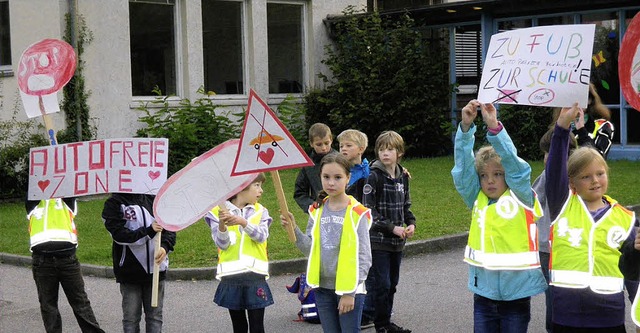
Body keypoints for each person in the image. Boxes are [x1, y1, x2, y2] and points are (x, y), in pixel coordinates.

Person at [451, 100, 547, 332]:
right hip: (483, 295)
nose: (490, 180)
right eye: (483, 175)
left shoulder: (522, 195)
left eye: (497, 174)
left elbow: (517, 167)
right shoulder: (478, 198)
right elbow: (463, 171)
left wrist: (494, 127)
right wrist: (465, 129)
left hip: (516, 296)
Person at [546, 103, 640, 332]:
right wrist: (561, 127)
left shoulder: (626, 218)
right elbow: (555, 168)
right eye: (586, 176)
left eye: (600, 174)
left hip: (609, 318)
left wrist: (636, 251)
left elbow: (632, 273)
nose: (595, 180)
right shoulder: (563, 205)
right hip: (565, 317)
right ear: (572, 182)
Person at [281, 153, 372, 333]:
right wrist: (294, 230)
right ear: (320, 177)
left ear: (348, 178)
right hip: (322, 288)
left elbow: (364, 257)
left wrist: (349, 293)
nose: (331, 183)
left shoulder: (357, 212)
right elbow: (310, 249)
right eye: (326, 177)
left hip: (349, 289)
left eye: (337, 177)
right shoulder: (316, 210)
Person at [203, 173, 274, 333]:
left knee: (257, 327)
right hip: (231, 277)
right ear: (241, 187)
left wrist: (243, 222)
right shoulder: (217, 211)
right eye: (256, 185)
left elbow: (261, 236)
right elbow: (223, 244)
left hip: (255, 276)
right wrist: (222, 224)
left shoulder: (260, 211)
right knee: (239, 327)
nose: (261, 190)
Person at [361, 130, 415, 333]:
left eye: (390, 149)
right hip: (378, 240)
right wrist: (393, 228)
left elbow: (406, 206)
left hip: (397, 242)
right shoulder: (374, 177)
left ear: (399, 152)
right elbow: (369, 211)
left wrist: (410, 223)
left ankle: (386, 320)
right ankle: (381, 325)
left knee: (392, 283)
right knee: (381, 284)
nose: (385, 153)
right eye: (382, 149)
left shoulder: (403, 177)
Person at [26, 197, 105, 333]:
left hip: (67, 260)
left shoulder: (65, 198)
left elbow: (68, 186)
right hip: (42, 260)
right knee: (48, 306)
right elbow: (32, 186)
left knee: (81, 304)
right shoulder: (34, 198)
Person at [102, 193, 176, 333]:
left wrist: (165, 247)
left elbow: (169, 228)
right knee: (131, 319)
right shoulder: (114, 204)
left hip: (156, 271)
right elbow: (119, 235)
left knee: (155, 318)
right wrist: (149, 231)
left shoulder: (154, 200)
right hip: (130, 273)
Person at [532, 128, 577, 333]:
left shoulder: (577, 177)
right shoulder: (546, 177)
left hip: (566, 246)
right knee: (554, 295)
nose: (546, 159)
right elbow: (533, 203)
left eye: (549, 153)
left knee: (560, 295)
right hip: (547, 248)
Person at [294, 122, 338, 213]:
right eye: (319, 144)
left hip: (341, 208)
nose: (324, 148)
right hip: (319, 212)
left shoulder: (340, 161)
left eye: (326, 143)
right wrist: (312, 206)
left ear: (331, 140)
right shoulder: (308, 166)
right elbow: (300, 192)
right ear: (311, 144)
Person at [337, 129, 370, 203]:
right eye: (341, 146)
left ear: (361, 149)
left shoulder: (370, 169)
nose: (344, 149)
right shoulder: (339, 170)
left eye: (348, 145)